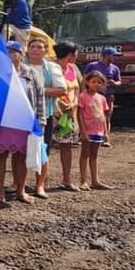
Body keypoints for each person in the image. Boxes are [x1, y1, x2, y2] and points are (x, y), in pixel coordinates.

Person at [0, 41, 40, 206]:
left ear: (21, 54)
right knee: (0, 155)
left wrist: (41, 121)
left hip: (24, 121)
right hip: (2, 121)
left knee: (21, 156)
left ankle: (21, 190)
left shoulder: (31, 73)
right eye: (6, 52)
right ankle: (0, 190)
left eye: (13, 51)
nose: (10, 55)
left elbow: (40, 98)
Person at [24, 36, 66, 199]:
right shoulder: (21, 66)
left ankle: (40, 184)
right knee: (21, 150)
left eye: (40, 47)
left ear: (45, 50)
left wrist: (38, 91)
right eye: (32, 46)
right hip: (23, 114)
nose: (35, 49)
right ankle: (18, 183)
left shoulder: (52, 68)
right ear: (28, 49)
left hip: (44, 114)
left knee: (43, 150)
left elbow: (61, 89)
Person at [52, 41, 82, 191]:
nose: (77, 56)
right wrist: (60, 104)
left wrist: (74, 103)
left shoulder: (73, 68)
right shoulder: (50, 67)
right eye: (75, 53)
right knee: (43, 148)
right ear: (70, 54)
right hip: (52, 113)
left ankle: (67, 179)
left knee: (66, 146)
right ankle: (38, 182)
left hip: (69, 115)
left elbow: (77, 89)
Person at [79, 71, 112, 190]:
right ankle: (83, 181)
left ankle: (95, 181)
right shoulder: (82, 96)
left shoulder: (102, 98)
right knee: (85, 154)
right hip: (88, 131)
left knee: (94, 155)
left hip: (98, 131)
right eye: (93, 82)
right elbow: (80, 115)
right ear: (87, 82)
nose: (96, 84)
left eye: (99, 82)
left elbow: (103, 116)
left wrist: (106, 133)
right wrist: (83, 131)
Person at [84, 47, 121, 145]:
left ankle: (105, 138)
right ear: (106, 55)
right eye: (114, 55)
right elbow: (85, 79)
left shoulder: (115, 68)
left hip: (108, 95)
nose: (115, 58)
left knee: (107, 116)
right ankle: (86, 136)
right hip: (93, 96)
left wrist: (114, 83)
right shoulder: (92, 66)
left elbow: (119, 82)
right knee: (91, 116)